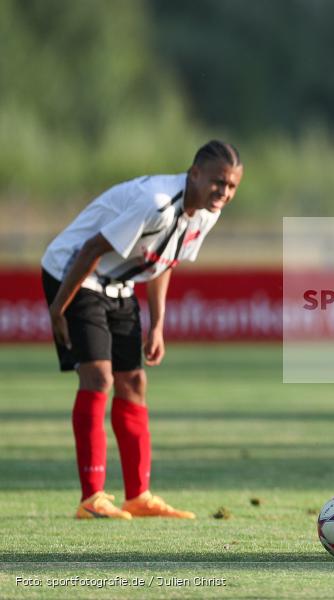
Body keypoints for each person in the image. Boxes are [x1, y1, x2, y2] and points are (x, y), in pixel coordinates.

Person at [41, 141, 244, 519]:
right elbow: (90, 249)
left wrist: (158, 324)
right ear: (195, 174)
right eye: (219, 183)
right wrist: (57, 309)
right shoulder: (156, 203)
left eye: (232, 186)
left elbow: (164, 262)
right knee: (99, 377)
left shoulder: (205, 213)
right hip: (74, 274)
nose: (225, 193)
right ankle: (92, 498)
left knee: (133, 382)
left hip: (118, 285)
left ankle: (138, 496)